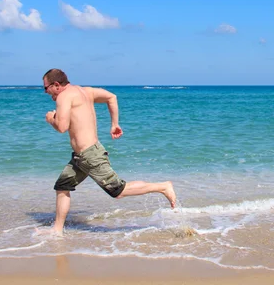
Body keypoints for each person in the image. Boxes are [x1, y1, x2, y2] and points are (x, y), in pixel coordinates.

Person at [40, 68, 176, 236]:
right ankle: (57, 230)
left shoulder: (64, 97)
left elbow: (61, 127)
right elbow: (112, 97)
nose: (45, 92)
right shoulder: (85, 91)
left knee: (118, 191)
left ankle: (163, 187)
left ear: (56, 85)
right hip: (80, 157)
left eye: (46, 88)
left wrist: (50, 119)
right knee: (62, 187)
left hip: (90, 155)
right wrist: (114, 124)